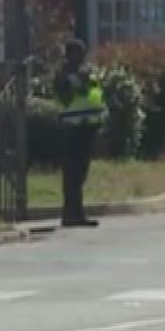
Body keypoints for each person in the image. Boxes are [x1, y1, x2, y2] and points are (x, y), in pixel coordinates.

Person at [53, 38, 107, 228]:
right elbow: (66, 97)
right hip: (71, 129)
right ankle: (70, 214)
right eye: (78, 53)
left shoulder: (87, 73)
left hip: (87, 128)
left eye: (83, 53)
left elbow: (96, 97)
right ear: (69, 55)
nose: (82, 57)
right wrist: (78, 82)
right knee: (72, 174)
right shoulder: (64, 75)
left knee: (81, 173)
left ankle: (78, 213)